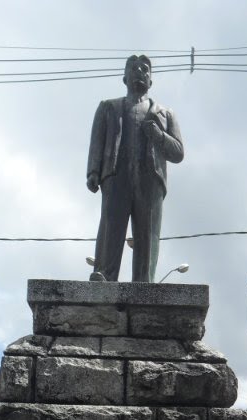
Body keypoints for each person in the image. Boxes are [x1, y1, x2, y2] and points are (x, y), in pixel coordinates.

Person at [87, 54, 184, 282]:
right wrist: (93, 171)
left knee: (148, 233)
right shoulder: (108, 107)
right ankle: (104, 274)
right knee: (111, 226)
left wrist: (159, 135)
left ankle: (144, 280)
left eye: (145, 68)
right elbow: (97, 142)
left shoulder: (165, 113)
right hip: (115, 175)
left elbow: (178, 152)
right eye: (133, 67)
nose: (140, 71)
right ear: (124, 77)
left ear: (151, 80)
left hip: (150, 180)